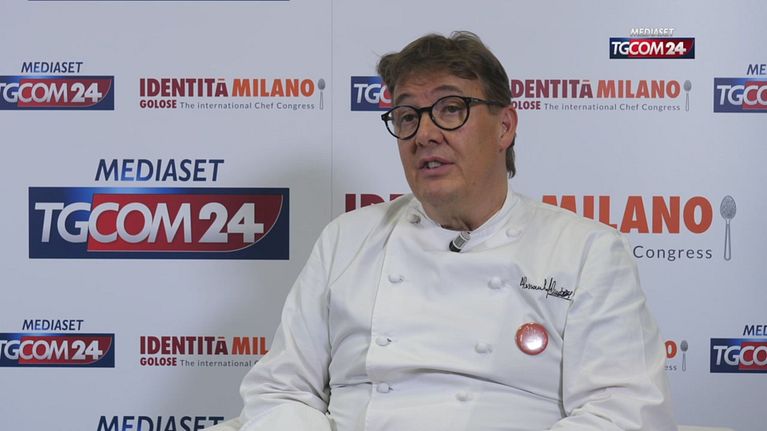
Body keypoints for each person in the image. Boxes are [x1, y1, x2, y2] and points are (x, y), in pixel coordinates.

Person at [236, 31, 676, 431]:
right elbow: (280, 391)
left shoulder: (585, 251)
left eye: (450, 108)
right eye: (407, 115)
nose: (424, 134)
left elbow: (623, 412)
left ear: (504, 127)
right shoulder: (346, 239)